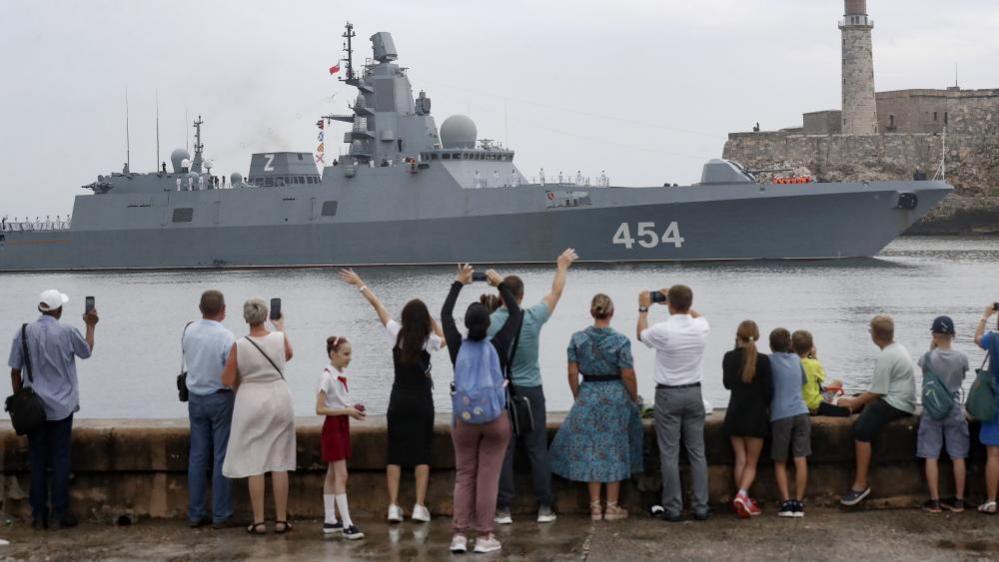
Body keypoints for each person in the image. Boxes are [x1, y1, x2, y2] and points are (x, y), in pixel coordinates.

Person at [339, 269, 445, 523]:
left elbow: (378, 305)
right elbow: (445, 338)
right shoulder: (428, 341)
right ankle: (419, 506)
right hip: (422, 402)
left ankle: (393, 506)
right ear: (424, 322)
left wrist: (360, 283)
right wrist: (431, 320)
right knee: (422, 454)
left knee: (394, 454)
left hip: (398, 400)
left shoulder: (396, 334)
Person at [491, 248, 578, 525]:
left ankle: (504, 508)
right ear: (522, 297)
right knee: (537, 449)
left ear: (500, 297)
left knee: (505, 449)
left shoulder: (491, 322)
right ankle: (544, 506)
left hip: (503, 391)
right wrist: (561, 265)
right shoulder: (533, 317)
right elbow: (556, 292)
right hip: (532, 391)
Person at [442, 265, 520, 554]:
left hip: (464, 420)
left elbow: (444, 316)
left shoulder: (455, 346)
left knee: (465, 475)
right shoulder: (498, 345)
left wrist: (458, 283)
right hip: (495, 419)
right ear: (488, 325)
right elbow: (516, 314)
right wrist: (501, 285)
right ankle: (485, 536)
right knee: (488, 477)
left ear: (466, 325)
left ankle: (459, 535)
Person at [7, 289, 98, 530]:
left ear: (40, 308)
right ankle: (60, 513)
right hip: (62, 406)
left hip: (33, 409)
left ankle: (38, 514)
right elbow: (86, 352)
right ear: (59, 310)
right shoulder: (67, 331)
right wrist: (91, 326)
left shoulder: (23, 332)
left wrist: (19, 400)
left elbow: (15, 371)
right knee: (60, 459)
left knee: (36, 459)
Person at [550, 294, 643, 522]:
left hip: (588, 393)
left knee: (592, 451)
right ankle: (612, 507)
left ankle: (594, 508)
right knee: (614, 450)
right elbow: (628, 374)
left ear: (592, 312)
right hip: (615, 396)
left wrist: (578, 396)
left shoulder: (577, 339)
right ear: (611, 313)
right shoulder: (621, 340)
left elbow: (572, 373)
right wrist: (633, 398)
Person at [220, 299, 296, 535]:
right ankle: (282, 521)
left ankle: (259, 521)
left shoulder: (239, 345)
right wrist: (280, 327)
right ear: (265, 317)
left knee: (256, 462)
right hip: (280, 397)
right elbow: (288, 355)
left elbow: (226, 379)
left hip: (251, 400)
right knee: (280, 461)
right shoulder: (277, 337)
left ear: (246, 319)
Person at [638, 284, 710, 522]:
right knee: (697, 452)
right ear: (689, 304)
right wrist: (677, 301)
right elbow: (698, 316)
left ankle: (674, 507)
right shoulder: (700, 327)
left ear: (669, 305)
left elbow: (641, 335)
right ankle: (701, 506)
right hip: (694, 393)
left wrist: (643, 309)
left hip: (668, 394)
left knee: (669, 454)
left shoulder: (663, 330)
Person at [838, 315, 916, 507]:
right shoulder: (897, 348)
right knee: (858, 402)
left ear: (874, 335)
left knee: (861, 431)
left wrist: (854, 403)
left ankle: (860, 484)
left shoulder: (885, 356)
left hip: (896, 403)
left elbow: (877, 391)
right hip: (903, 399)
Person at [182, 290, 237, 529]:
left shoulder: (188, 331)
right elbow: (230, 374)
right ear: (223, 310)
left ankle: (195, 513)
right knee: (221, 456)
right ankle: (221, 513)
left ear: (199, 307)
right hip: (220, 398)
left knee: (197, 455)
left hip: (195, 398)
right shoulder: (227, 337)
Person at [917, 316, 969, 513]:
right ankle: (959, 501)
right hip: (954, 409)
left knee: (931, 455)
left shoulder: (927, 357)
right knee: (958, 456)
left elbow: (926, 375)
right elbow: (962, 377)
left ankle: (935, 501)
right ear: (953, 335)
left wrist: (932, 348)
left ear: (934, 335)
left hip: (932, 411)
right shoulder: (962, 357)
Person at [317, 336, 366, 539]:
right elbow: (320, 409)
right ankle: (347, 524)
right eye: (346, 354)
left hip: (340, 425)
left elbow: (336, 404)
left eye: (350, 354)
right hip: (334, 427)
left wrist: (350, 409)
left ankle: (330, 520)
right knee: (341, 475)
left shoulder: (337, 374)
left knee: (332, 474)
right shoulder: (327, 376)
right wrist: (347, 411)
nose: (349, 358)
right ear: (333, 354)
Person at [722, 320, 772, 519]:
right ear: (757, 336)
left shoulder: (729, 357)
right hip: (756, 416)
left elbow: (727, 384)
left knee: (740, 459)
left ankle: (743, 499)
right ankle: (743, 495)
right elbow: (769, 392)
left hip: (735, 414)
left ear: (738, 336)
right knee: (752, 462)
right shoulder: (764, 360)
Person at [768, 328, 811, 518]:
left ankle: (786, 503)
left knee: (780, 461)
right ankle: (799, 503)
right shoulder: (796, 360)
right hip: (801, 412)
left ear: (770, 345)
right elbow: (802, 381)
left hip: (781, 414)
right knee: (800, 458)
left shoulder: (769, 362)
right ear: (790, 345)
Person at [975, 304, 999, 514]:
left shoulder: (995, 339)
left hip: (995, 401)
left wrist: (985, 316)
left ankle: (992, 501)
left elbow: (977, 339)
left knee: (993, 454)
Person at [793, 330, 850, 417]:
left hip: (796, 404)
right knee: (838, 383)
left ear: (792, 347)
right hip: (814, 404)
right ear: (810, 348)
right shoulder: (814, 363)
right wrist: (814, 356)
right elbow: (821, 378)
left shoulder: (789, 363)